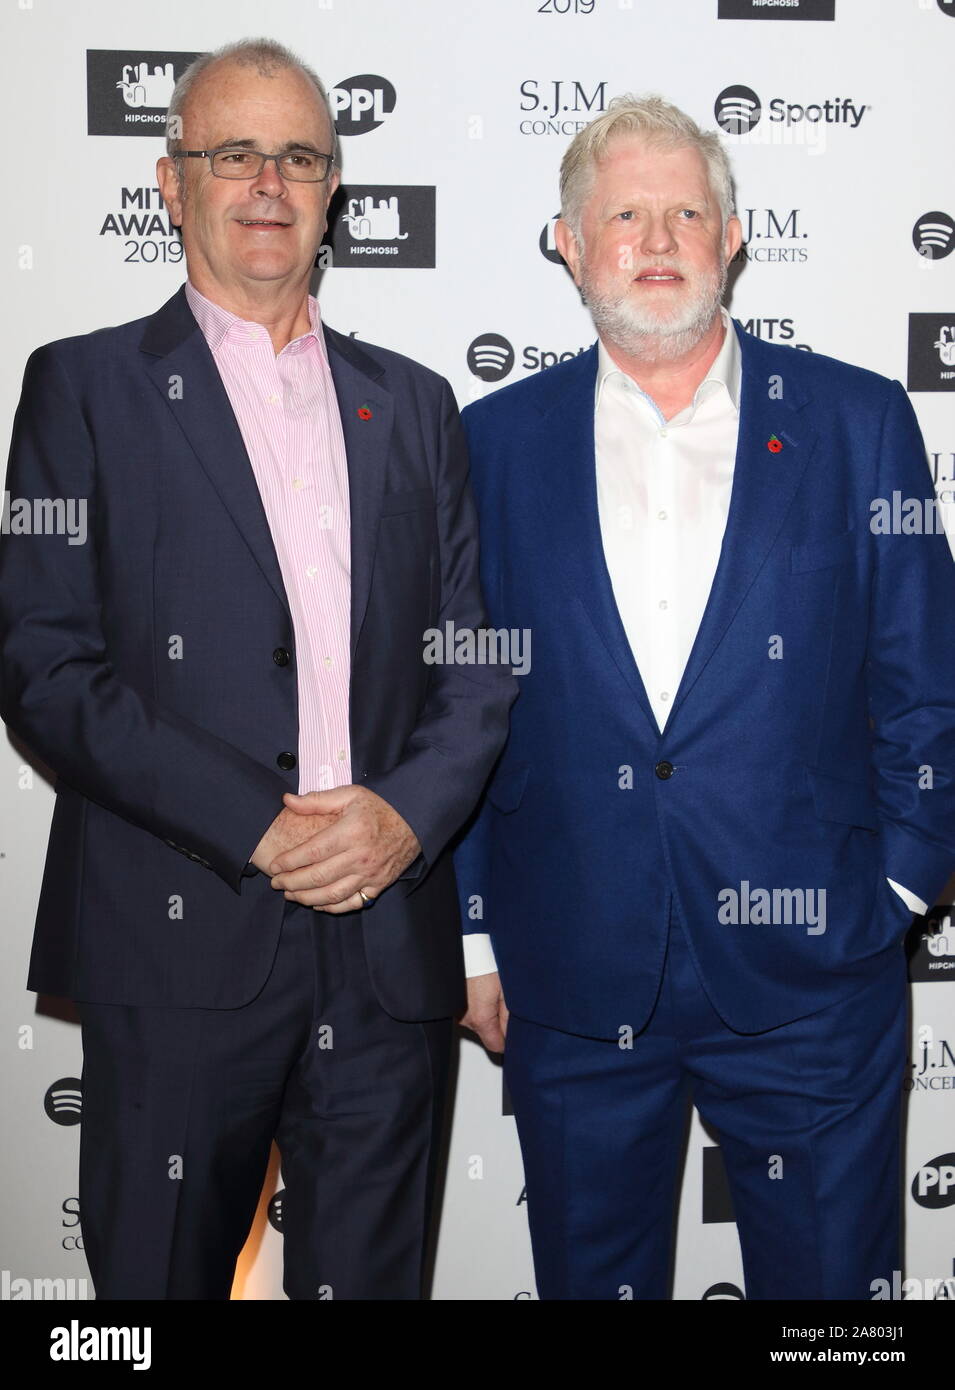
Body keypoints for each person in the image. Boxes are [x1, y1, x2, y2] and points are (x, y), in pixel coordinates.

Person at [0, 37, 515, 1300]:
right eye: (235, 154)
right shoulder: (79, 390)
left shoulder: (416, 403)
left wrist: (401, 818)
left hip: (387, 946)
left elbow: (477, 657)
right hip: (179, 937)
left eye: (299, 157)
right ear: (172, 183)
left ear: (333, 189)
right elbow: (42, 665)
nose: (269, 183)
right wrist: (259, 826)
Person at [454, 94, 955, 1300]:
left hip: (814, 981)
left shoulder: (854, 423)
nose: (659, 236)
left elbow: (924, 682)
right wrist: (470, 932)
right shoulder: (485, 444)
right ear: (568, 243)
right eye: (623, 211)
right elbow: (451, 706)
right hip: (568, 980)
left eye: (687, 209)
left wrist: (895, 886)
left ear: (734, 235)